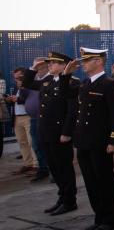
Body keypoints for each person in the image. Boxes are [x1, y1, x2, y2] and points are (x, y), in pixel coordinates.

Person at [63, 48, 114, 230]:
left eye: (87, 60)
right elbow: (66, 95)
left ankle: (111, 219)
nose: (83, 63)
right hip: (84, 142)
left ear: (99, 61)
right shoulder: (84, 84)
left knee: (105, 181)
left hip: (101, 143)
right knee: (91, 182)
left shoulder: (109, 84)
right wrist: (66, 74)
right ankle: (99, 217)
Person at [23, 53, 80, 216]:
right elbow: (27, 83)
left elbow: (72, 111)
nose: (50, 65)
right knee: (54, 167)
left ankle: (70, 200)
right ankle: (62, 198)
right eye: (50, 63)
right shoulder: (47, 81)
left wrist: (67, 132)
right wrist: (33, 69)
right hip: (46, 132)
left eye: (54, 63)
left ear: (65, 66)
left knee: (64, 167)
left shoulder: (71, 83)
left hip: (60, 133)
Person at [7, 68, 37, 174]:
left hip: (28, 116)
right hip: (17, 117)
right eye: (15, 78)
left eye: (18, 77)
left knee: (31, 142)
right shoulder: (16, 86)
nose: (16, 80)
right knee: (22, 142)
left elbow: (31, 99)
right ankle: (27, 163)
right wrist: (11, 100)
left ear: (24, 76)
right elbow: (16, 100)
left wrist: (18, 99)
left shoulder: (31, 85)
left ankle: (36, 165)